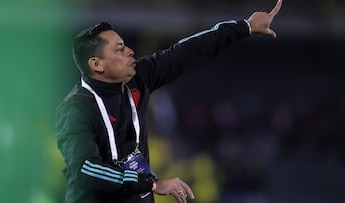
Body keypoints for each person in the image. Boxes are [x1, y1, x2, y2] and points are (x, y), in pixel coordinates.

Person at [55, 1, 282, 202]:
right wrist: (151, 184)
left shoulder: (138, 79)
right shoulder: (76, 109)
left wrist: (245, 27)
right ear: (97, 64)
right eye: (120, 49)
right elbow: (87, 170)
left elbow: (186, 52)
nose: (131, 51)